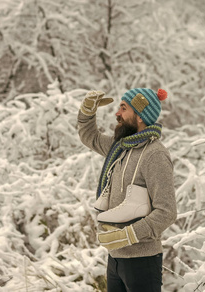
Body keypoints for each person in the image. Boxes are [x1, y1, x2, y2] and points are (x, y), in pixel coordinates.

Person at [77, 88, 177, 292]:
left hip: (142, 261)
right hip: (115, 258)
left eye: (123, 108)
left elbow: (167, 212)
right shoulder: (120, 148)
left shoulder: (155, 155)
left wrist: (129, 235)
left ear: (140, 116)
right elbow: (90, 137)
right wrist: (87, 111)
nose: (117, 114)